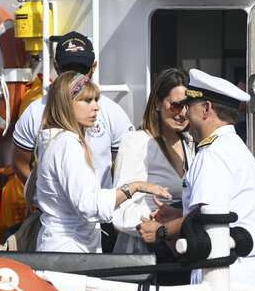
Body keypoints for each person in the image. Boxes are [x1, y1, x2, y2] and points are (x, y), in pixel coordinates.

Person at [138, 69, 255, 291]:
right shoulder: (237, 150)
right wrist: (175, 213)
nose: (184, 112)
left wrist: (161, 231)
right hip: (246, 275)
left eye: (189, 105)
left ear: (206, 108)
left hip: (225, 277)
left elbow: (208, 218)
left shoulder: (213, 154)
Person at [12, 31, 133, 251]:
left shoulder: (111, 113)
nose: (75, 77)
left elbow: (126, 165)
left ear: (93, 67)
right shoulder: (40, 119)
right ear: (56, 67)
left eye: (82, 70)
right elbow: (20, 163)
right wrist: (50, 200)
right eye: (69, 70)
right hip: (67, 230)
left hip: (96, 224)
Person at [34, 71, 171, 253]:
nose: (96, 107)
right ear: (66, 104)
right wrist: (135, 186)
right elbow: (88, 206)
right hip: (69, 251)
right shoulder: (67, 144)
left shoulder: (51, 139)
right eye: (88, 100)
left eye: (96, 100)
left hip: (61, 246)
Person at [112, 67, 194, 254]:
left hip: (181, 248)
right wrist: (156, 224)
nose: (182, 113)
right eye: (175, 105)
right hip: (145, 251)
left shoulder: (190, 143)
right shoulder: (137, 141)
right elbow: (121, 205)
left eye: (188, 106)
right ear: (157, 103)